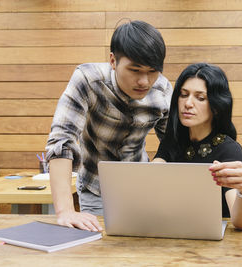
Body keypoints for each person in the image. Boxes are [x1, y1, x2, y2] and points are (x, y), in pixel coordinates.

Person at [45, 20, 173, 232]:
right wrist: (65, 211)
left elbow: (173, 144)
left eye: (152, 71)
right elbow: (62, 140)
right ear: (113, 60)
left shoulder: (162, 90)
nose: (144, 81)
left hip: (143, 188)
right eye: (135, 70)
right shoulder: (88, 80)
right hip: (96, 187)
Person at [153, 63, 242, 230]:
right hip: (174, 232)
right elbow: (154, 177)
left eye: (200, 98)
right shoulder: (172, 140)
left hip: (213, 241)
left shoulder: (228, 150)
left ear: (216, 106)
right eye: (184, 95)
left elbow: (240, 222)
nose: (188, 104)